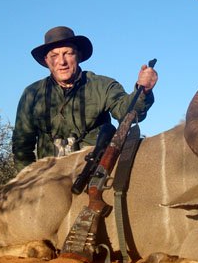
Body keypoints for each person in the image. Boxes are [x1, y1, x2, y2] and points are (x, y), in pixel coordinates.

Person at [12, 26, 158, 171]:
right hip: (50, 180)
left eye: (68, 53)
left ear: (79, 56)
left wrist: (143, 91)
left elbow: (126, 114)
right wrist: (30, 180)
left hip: (93, 173)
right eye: (54, 56)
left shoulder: (103, 85)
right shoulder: (31, 94)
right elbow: (22, 146)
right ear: (46, 61)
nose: (62, 62)